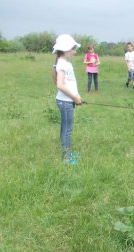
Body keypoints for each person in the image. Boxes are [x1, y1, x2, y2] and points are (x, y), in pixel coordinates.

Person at [52, 34, 83, 165]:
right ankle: (66, 157)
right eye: (73, 49)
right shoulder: (62, 64)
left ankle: (67, 153)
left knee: (66, 128)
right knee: (67, 129)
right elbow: (60, 84)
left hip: (68, 100)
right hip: (65, 102)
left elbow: (68, 83)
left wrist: (77, 96)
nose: (75, 52)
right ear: (65, 49)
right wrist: (74, 97)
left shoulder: (65, 63)